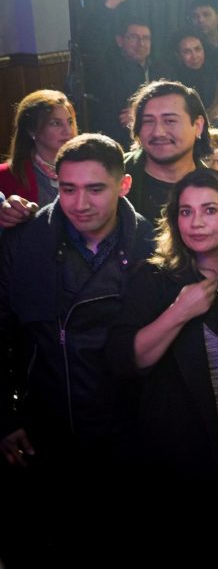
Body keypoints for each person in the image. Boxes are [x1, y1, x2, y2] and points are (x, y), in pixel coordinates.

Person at [106, 169, 218, 561]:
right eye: (186, 212)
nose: (196, 222)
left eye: (209, 210)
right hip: (189, 473)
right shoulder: (155, 278)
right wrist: (178, 312)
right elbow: (125, 360)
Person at [0, 134, 155, 565]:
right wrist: (6, 417)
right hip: (46, 432)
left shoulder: (152, 244)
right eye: (68, 188)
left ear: (123, 185)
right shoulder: (23, 242)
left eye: (95, 188)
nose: (79, 202)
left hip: (133, 434)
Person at [80, 0, 163, 144]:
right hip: (121, 141)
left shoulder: (162, 68)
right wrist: (111, 4)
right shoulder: (109, 69)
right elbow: (90, 40)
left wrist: (141, 113)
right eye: (133, 37)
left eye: (146, 38)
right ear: (120, 41)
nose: (141, 43)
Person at [124, 80, 212, 219]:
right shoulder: (114, 177)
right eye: (148, 121)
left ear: (197, 125)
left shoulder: (217, 189)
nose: (158, 132)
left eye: (170, 121)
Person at [0, 90, 77, 208]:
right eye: (56, 123)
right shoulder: (6, 175)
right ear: (32, 130)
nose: (68, 131)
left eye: (69, 122)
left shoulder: (88, 166)